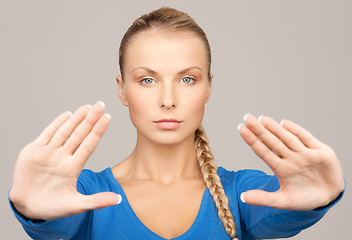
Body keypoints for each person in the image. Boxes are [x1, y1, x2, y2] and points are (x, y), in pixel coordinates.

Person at [9, 6, 345, 240]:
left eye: (187, 79)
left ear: (208, 87)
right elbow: (56, 221)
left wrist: (315, 199)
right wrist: (36, 214)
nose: (168, 99)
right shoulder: (85, 195)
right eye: (147, 80)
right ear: (122, 90)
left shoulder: (241, 194)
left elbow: (284, 208)